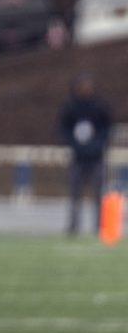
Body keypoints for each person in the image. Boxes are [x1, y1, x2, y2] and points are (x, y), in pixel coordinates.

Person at [58, 73, 113, 235]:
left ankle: (99, 226)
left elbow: (107, 129)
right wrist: (76, 146)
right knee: (75, 194)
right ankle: (73, 226)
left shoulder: (99, 106)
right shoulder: (70, 107)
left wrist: (97, 146)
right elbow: (64, 129)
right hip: (78, 157)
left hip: (96, 158)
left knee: (98, 193)